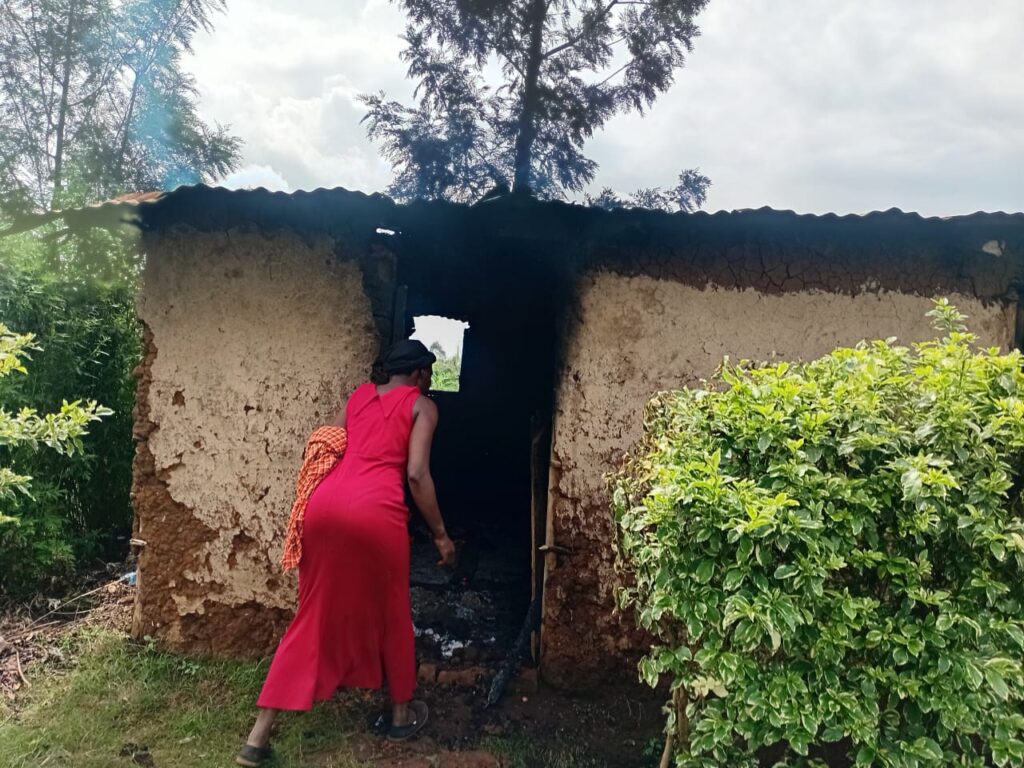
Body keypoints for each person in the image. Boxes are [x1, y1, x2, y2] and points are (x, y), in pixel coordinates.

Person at [237, 339, 457, 767]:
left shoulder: (358, 396)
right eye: (428, 376)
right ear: (418, 374)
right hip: (376, 513)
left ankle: (257, 737)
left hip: (324, 507)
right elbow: (415, 474)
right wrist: (441, 535)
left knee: (312, 614)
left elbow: (329, 443)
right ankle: (399, 715)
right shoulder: (422, 407)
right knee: (392, 611)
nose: (428, 383)